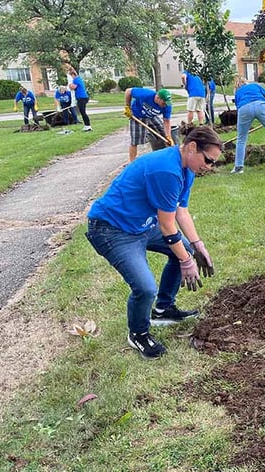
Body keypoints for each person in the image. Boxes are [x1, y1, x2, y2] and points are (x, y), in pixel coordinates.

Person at [85, 126, 222, 360]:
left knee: (184, 250)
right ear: (191, 147)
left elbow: (181, 211)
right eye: (208, 160)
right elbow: (168, 225)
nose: (209, 167)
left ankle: (163, 310)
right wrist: (186, 260)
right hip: (112, 229)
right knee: (146, 288)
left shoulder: (186, 168)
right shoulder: (167, 171)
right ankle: (138, 333)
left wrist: (197, 245)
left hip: (142, 225)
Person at [124, 87, 174, 162]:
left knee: (164, 136)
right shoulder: (145, 94)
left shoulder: (167, 106)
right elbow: (128, 91)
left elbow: (166, 121)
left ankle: (169, 158)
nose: (165, 105)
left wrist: (168, 136)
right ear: (157, 98)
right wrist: (128, 107)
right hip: (137, 115)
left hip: (152, 115)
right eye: (164, 103)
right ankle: (132, 163)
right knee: (135, 140)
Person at [67, 66, 92, 131]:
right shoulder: (79, 79)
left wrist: (69, 85)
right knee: (82, 112)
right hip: (82, 98)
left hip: (82, 98)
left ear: (73, 75)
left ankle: (88, 125)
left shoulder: (76, 80)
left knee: (83, 112)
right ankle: (87, 125)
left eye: (71, 76)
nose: (71, 78)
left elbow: (73, 87)